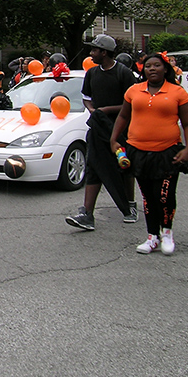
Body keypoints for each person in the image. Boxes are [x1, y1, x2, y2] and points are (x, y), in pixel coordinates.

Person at [110, 53, 188, 255]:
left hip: (167, 153)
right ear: (143, 70)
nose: (152, 69)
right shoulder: (133, 91)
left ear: (165, 68)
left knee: (165, 196)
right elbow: (123, 116)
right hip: (138, 152)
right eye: (148, 66)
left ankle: (167, 233)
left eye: (157, 65)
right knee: (148, 197)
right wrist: (114, 140)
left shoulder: (177, 92)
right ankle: (152, 237)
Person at [66, 34, 137, 230]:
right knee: (93, 167)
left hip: (120, 129)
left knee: (124, 167)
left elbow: (130, 103)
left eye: (94, 50)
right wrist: (92, 110)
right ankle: (87, 214)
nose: (91, 53)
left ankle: (130, 206)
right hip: (98, 128)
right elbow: (86, 97)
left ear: (104, 52)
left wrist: (105, 110)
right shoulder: (92, 74)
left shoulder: (123, 74)